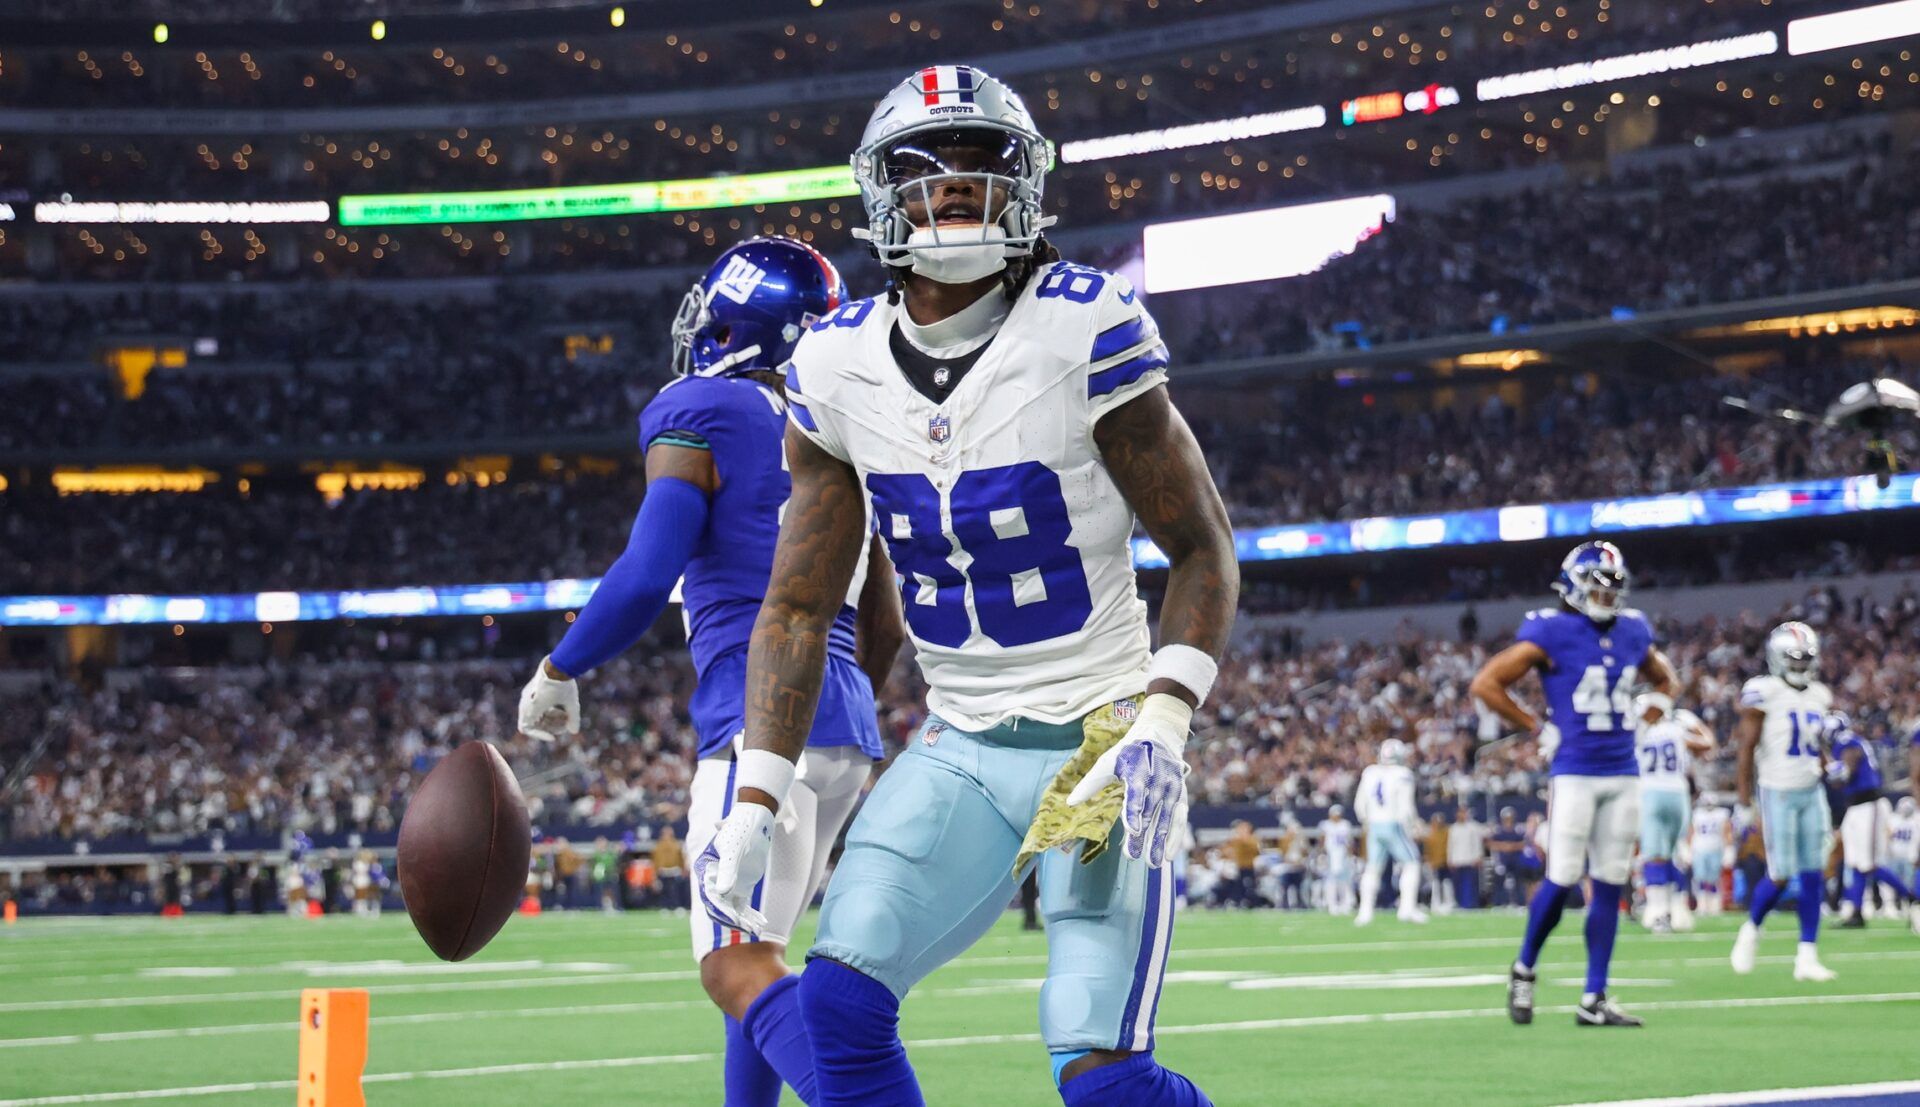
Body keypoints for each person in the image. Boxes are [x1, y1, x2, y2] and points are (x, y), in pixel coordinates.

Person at [698, 65, 1238, 1107]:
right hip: (963, 744)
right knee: (836, 1007)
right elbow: (802, 604)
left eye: (982, 161)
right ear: (879, 195)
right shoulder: (836, 361)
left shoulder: (1086, 326)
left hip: (1100, 739)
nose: (954, 185)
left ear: (1026, 182)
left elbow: (1204, 549)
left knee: (1101, 1072)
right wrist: (758, 791)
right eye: (926, 167)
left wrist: (1163, 720)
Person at [516, 235, 906, 1107]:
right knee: (757, 950)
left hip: (755, 714)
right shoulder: (842, 421)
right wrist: (832, 705)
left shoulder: (703, 403)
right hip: (842, 721)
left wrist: (560, 664)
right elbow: (886, 613)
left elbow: (650, 570)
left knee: (734, 962)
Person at [1471, 541, 1677, 1027]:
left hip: (1623, 770)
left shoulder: (1632, 630)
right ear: (1572, 585)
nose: (1606, 597)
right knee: (1561, 877)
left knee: (1609, 881)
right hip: (1575, 770)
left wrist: (1656, 705)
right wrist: (1535, 726)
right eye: (1596, 586)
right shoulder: (1552, 629)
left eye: (1612, 587)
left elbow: (1665, 680)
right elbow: (1485, 683)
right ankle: (1524, 968)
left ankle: (1595, 996)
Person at [1730, 621, 1839, 981]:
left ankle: (1806, 955)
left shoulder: (1820, 694)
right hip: (1777, 790)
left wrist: (1831, 764)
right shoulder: (1764, 690)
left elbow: (1816, 744)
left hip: (1812, 790)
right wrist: (1744, 801)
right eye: (1793, 657)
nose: (1799, 664)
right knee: (1780, 873)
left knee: (1813, 874)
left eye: (1805, 657)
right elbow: (1746, 749)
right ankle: (1751, 929)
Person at [1826, 713, 1917, 931]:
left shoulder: (1846, 740)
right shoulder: (1847, 740)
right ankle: (1856, 913)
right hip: (1856, 807)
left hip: (1869, 805)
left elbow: (1852, 758)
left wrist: (1842, 771)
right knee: (1856, 862)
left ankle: (1912, 897)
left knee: (1869, 863)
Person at [1633, 693, 1713, 933]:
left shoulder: (1639, 732)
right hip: (1678, 793)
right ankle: (1678, 909)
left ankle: (1658, 913)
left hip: (1650, 792)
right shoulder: (1677, 730)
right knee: (1675, 852)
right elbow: (1706, 743)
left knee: (1654, 855)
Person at [1354, 738, 1426, 926]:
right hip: (1393, 824)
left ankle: (1365, 912)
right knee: (1412, 863)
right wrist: (1413, 825)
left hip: (1374, 825)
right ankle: (1407, 909)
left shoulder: (1370, 772)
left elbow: (1359, 804)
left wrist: (1366, 821)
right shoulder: (1403, 774)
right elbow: (1406, 807)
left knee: (1372, 868)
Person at [1689, 797, 1733, 917]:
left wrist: (1729, 849)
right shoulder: (1697, 814)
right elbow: (1691, 831)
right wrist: (1688, 849)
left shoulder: (1722, 814)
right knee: (1700, 878)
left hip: (1716, 848)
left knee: (1714, 879)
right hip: (1699, 849)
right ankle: (1702, 904)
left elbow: (1727, 830)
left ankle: (1714, 905)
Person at [1448, 806, 1488, 910]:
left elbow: (1477, 843)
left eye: (1464, 813)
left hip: (1470, 859)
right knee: (1458, 885)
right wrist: (1450, 859)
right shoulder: (1453, 828)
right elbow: (1450, 845)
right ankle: (1460, 904)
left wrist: (1479, 856)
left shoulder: (1473, 827)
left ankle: (1471, 904)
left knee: (1471, 884)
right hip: (1457, 860)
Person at [1488, 806, 1525, 907]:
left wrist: (1512, 846)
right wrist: (1504, 846)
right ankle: (1499, 903)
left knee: (1518, 882)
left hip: (1515, 859)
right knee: (1499, 882)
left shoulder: (1518, 830)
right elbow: (1491, 843)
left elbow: (1524, 844)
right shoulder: (1498, 830)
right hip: (1502, 860)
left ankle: (1520, 903)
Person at [1321, 806, 1356, 916]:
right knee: (1331, 882)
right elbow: (1322, 840)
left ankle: (1346, 904)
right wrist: (1322, 854)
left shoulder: (1345, 825)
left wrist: (1351, 855)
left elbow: (1349, 841)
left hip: (1343, 855)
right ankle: (1332, 904)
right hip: (1331, 856)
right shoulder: (1326, 825)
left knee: (1345, 882)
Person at [1425, 813, 1452, 914]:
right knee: (1435, 884)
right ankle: (1435, 904)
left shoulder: (1447, 832)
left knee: (1446, 884)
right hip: (1435, 863)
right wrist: (1430, 861)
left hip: (1445, 862)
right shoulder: (1430, 835)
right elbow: (1427, 850)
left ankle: (1448, 903)